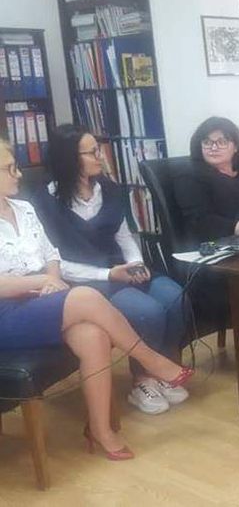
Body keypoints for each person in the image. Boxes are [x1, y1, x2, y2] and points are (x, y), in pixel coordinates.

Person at [0, 138, 192, 460]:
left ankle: (100, 430)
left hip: (39, 299)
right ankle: (151, 360)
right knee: (86, 296)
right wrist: (44, 281)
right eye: (9, 168)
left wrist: (52, 279)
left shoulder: (24, 208)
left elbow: (51, 254)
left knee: (94, 337)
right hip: (7, 312)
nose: (18, 173)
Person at [32, 124, 189, 415]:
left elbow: (124, 236)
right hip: (85, 284)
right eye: (92, 152)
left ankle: (164, 372)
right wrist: (108, 274)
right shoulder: (45, 201)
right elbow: (53, 261)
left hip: (120, 268)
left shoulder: (109, 189)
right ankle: (142, 380)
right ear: (70, 159)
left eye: (98, 150)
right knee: (147, 311)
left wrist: (135, 264)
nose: (100, 157)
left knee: (175, 296)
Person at [173, 116, 239, 244]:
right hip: (213, 245)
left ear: (236, 147)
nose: (213, 148)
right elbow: (200, 221)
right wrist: (238, 227)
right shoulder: (188, 176)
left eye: (222, 142)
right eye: (207, 142)